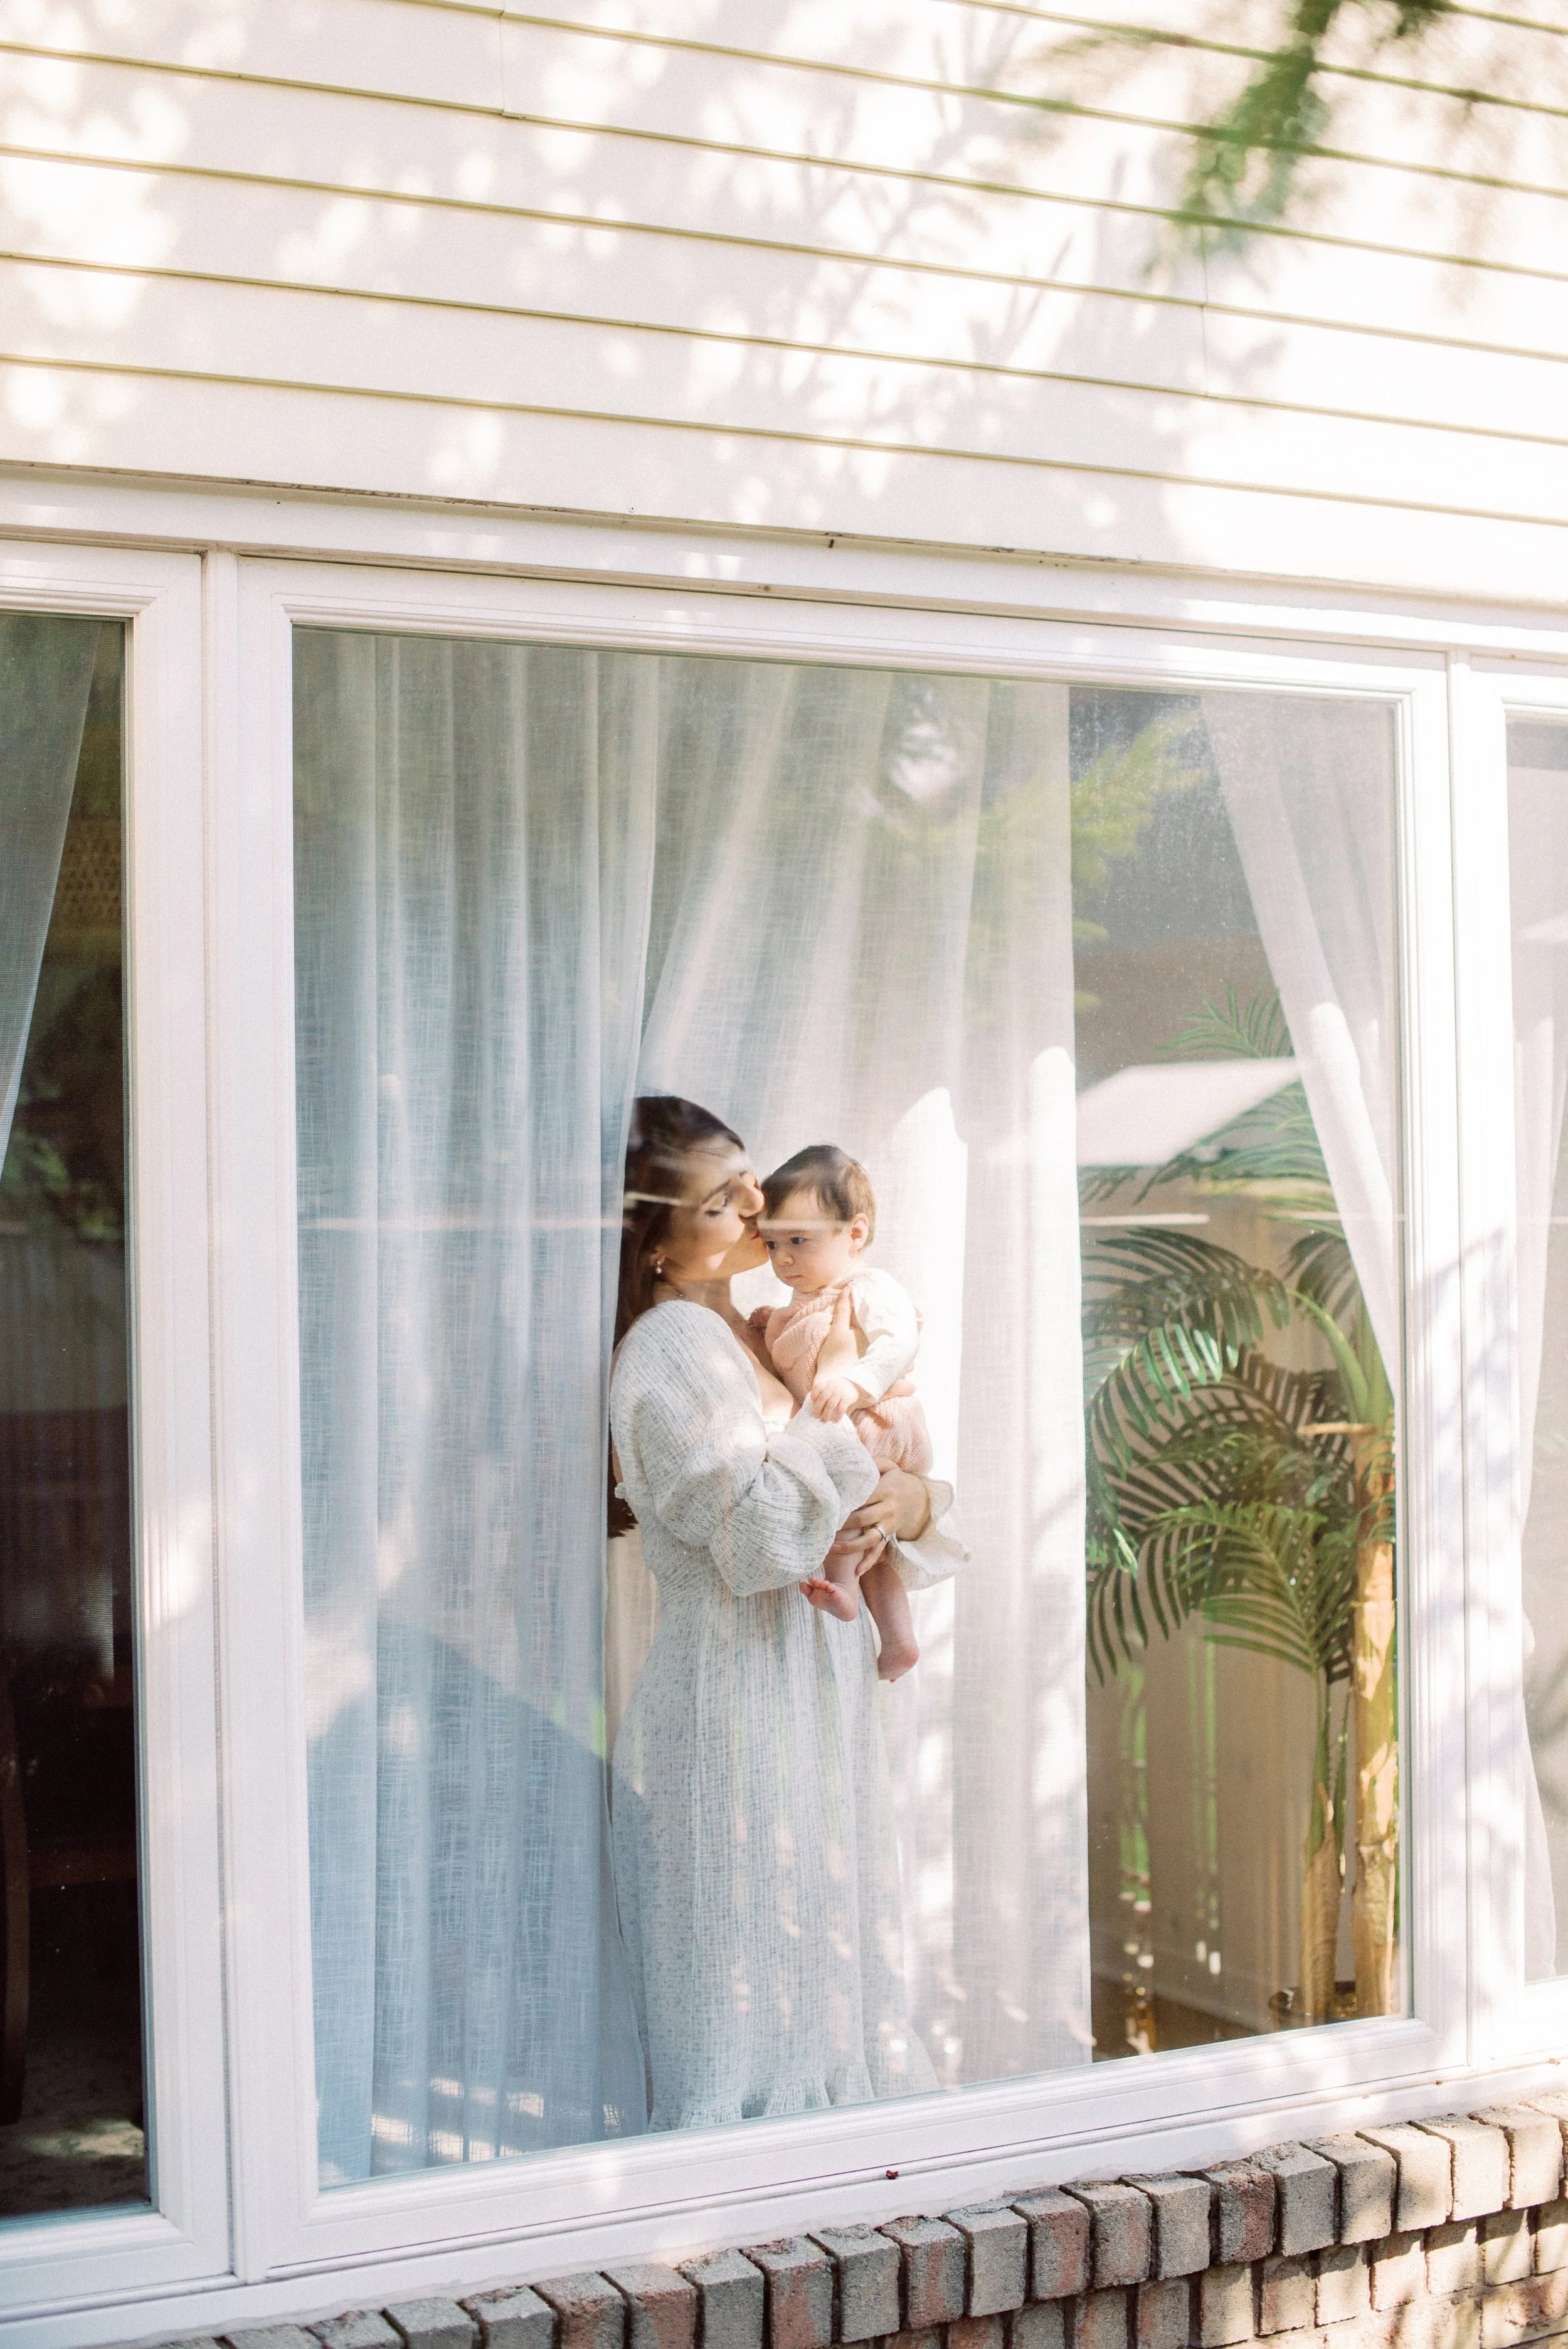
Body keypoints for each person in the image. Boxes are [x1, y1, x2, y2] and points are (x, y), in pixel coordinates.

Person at [608, 1095, 962, 2130]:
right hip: (736, 1697)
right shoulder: (672, 1347)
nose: (762, 1208)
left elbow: (869, 1483)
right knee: (744, 1975)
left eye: (752, 1180)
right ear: (658, 1251)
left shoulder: (764, 1332)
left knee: (814, 1957)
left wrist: (914, 1499)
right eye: (727, 1201)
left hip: (801, 1687)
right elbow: (759, 1531)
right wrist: (862, 1478)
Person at [755, 1143, 934, 1681]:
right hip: (846, 1434)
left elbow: (899, 1340)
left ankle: (845, 1587)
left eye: (799, 1241)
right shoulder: (786, 1312)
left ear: (854, 1234)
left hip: (876, 1424)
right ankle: (898, 1638)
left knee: (849, 1518)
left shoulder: (867, 1288)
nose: (783, 1258)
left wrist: (858, 1381)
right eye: (772, 1244)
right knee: (869, 1536)